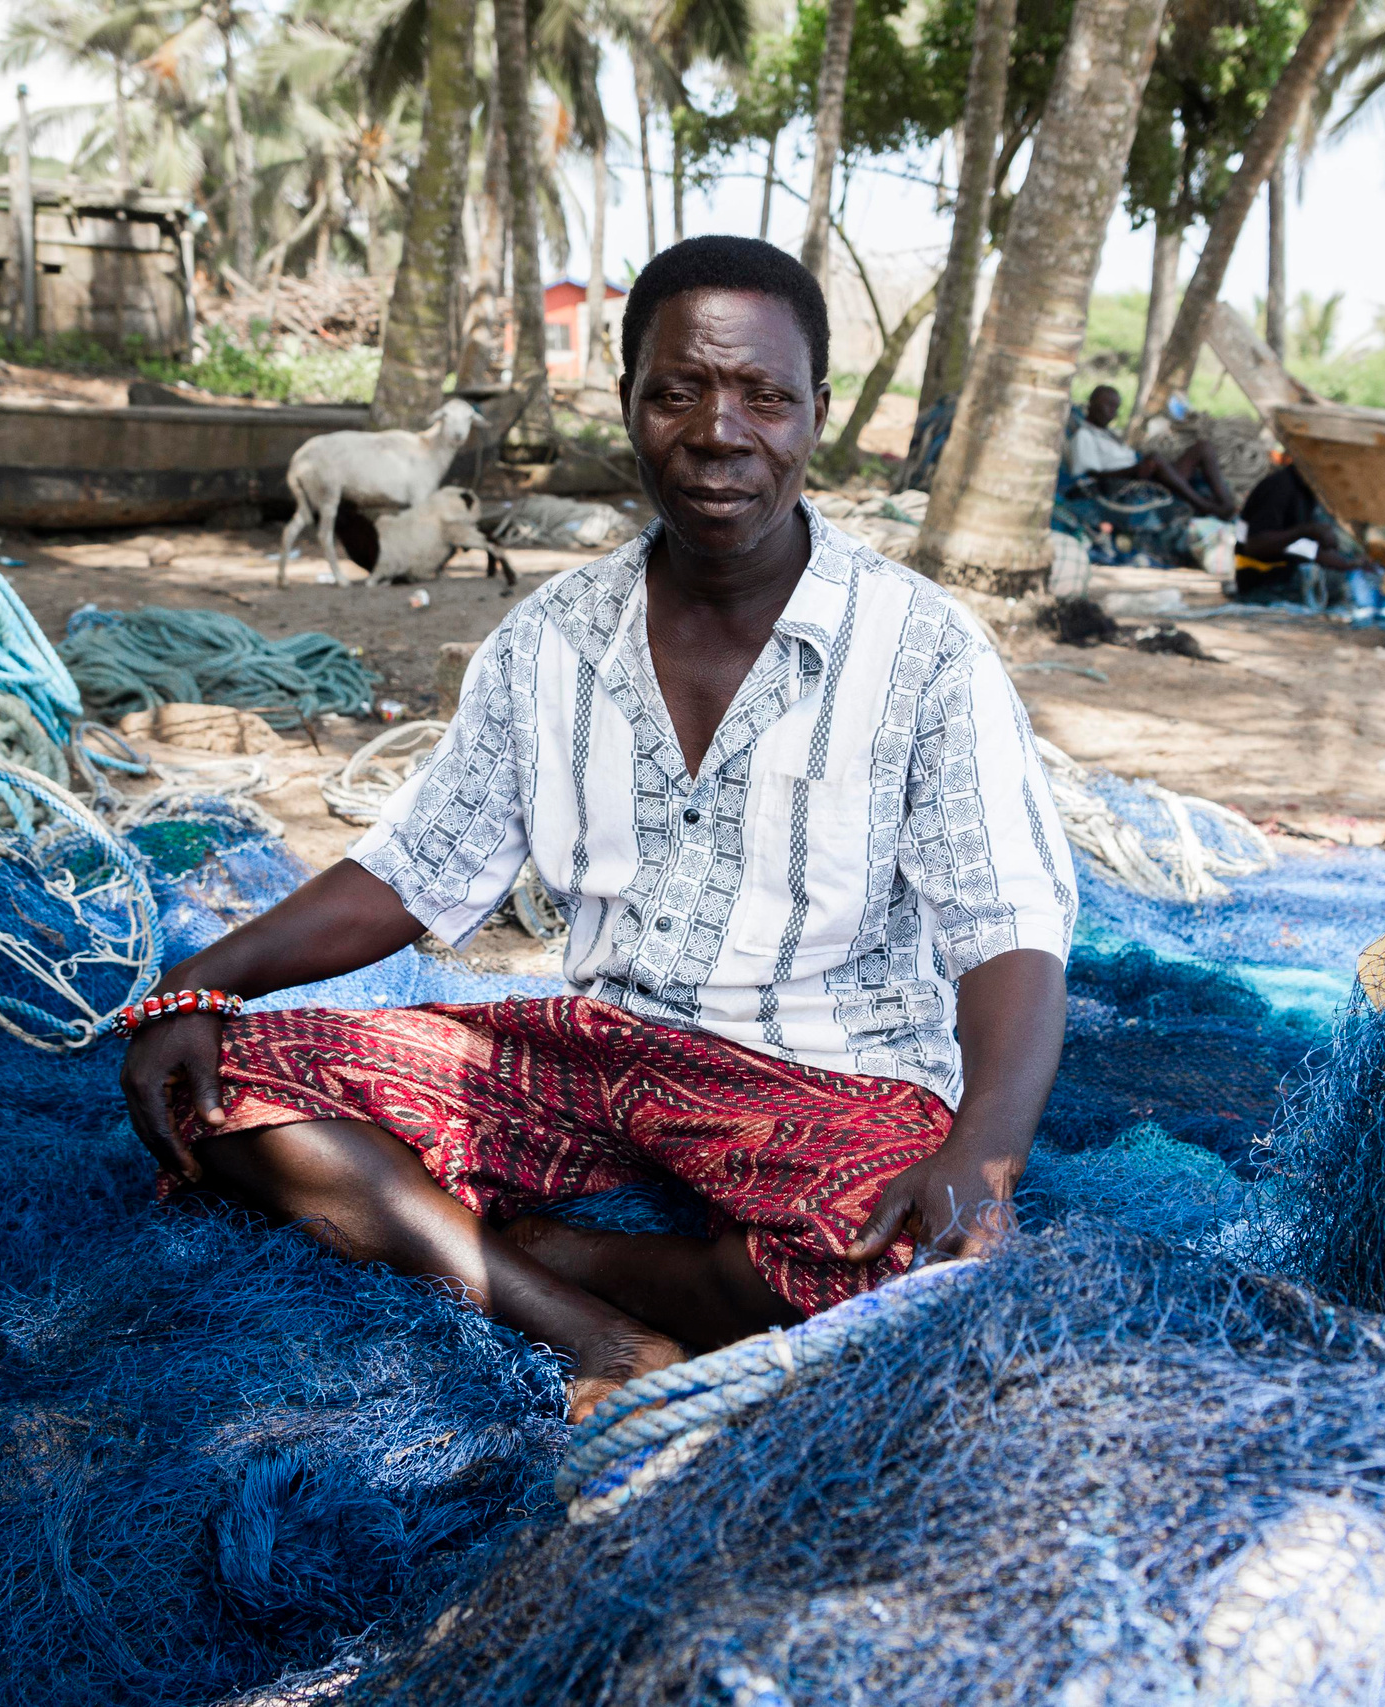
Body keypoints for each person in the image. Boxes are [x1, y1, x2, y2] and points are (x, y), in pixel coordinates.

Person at [120, 235, 1075, 1421]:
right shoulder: (550, 638)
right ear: (627, 404)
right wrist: (194, 988)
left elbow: (1009, 927)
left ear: (815, 415)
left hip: (829, 1079)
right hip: (596, 1054)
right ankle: (594, 1330)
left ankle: (561, 1259)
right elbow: (410, 874)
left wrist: (981, 1168)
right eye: (678, 391)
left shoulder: (925, 650)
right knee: (227, 1089)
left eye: (764, 396)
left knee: (910, 1263)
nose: (720, 430)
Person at [1063, 385, 1237, 520]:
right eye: (1107, 405)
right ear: (1092, 403)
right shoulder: (1083, 436)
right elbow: (1087, 477)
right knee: (1155, 459)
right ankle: (1203, 505)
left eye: (1115, 407)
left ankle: (1227, 506)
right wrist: (1134, 472)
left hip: (1147, 476)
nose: (1112, 412)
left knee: (1203, 447)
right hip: (1122, 485)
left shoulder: (1110, 435)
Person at [1233, 449, 1366, 602]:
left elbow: (1298, 545)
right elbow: (1255, 545)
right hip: (1262, 578)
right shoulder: (1279, 486)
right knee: (1347, 587)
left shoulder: (1306, 490)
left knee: (1361, 579)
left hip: (1284, 570)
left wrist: (1345, 561)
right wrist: (1307, 531)